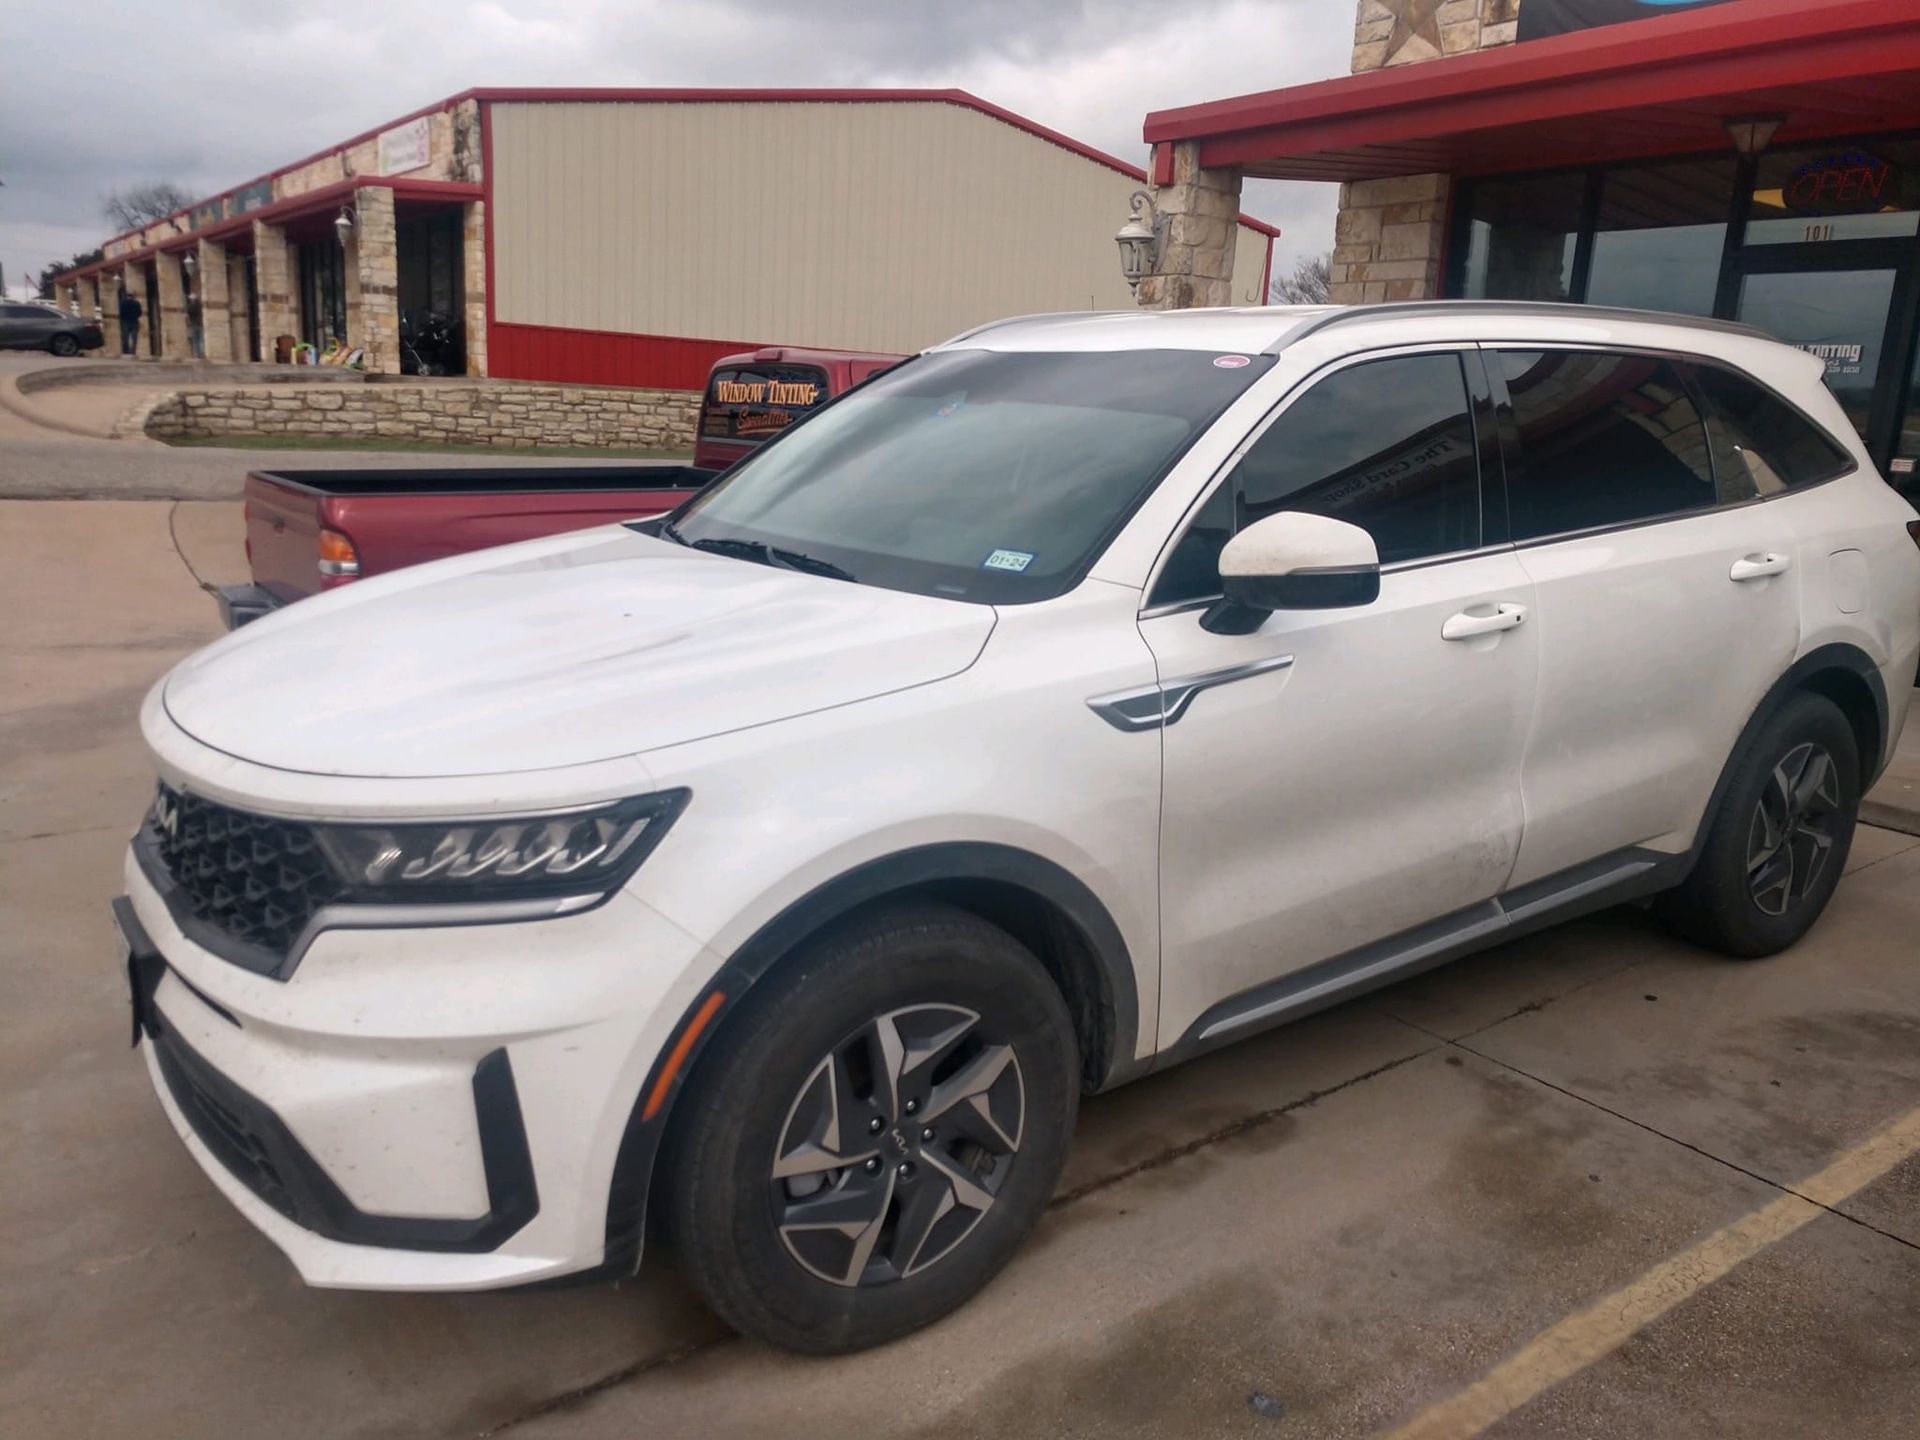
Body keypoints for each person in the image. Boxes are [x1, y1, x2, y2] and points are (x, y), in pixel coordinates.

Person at [117, 287, 143, 356]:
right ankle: (133, 351)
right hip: (134, 321)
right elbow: (140, 312)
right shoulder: (136, 303)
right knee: (134, 337)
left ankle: (126, 351)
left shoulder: (123, 302)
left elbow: (121, 313)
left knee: (125, 337)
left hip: (125, 321)